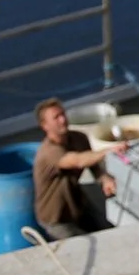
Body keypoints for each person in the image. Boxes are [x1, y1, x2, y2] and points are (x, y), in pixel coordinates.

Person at [32, 98, 124, 239]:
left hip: (77, 207)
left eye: (63, 114)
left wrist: (105, 179)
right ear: (44, 125)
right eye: (56, 117)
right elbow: (78, 161)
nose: (63, 120)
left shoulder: (79, 139)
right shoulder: (48, 152)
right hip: (56, 219)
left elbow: (93, 166)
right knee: (80, 248)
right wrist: (110, 150)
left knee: (109, 233)